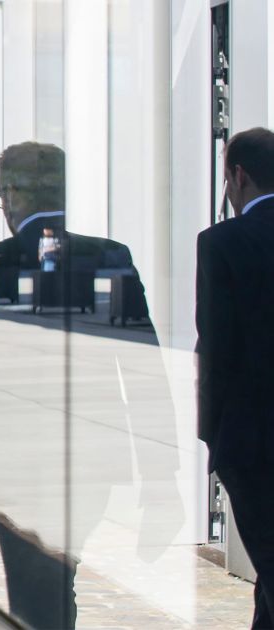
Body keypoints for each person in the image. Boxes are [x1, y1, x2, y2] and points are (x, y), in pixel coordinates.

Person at [0, 141, 180, 629]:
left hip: (12, 463)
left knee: (33, 587)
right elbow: (143, 369)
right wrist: (161, 476)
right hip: (88, 458)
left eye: (0, 197)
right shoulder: (109, 256)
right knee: (57, 577)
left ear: (12, 195)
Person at [197, 127, 274, 629]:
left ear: (237, 176)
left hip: (252, 442)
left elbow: (216, 349)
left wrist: (212, 437)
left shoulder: (222, 241)